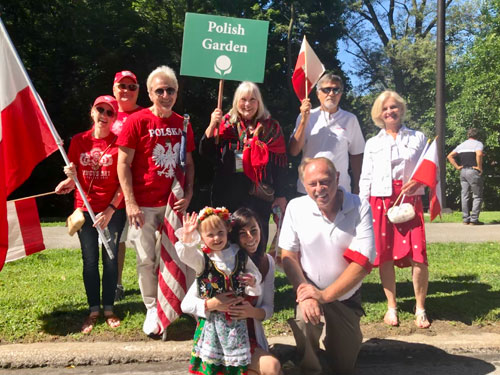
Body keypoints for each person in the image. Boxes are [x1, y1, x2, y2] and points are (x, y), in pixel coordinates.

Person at [116, 65, 195, 336]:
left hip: (173, 203)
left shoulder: (182, 123)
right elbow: (123, 163)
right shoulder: (136, 121)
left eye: (170, 90)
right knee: (147, 259)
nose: (165, 95)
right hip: (144, 204)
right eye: (159, 90)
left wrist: (190, 193)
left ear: (176, 92)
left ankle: (182, 303)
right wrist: (130, 202)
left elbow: (189, 162)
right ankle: (152, 307)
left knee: (180, 256)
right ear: (150, 93)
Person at [279, 157, 375, 375]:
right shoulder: (296, 207)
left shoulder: (359, 205)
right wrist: (305, 292)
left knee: (343, 366)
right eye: (312, 184)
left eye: (325, 182)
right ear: (304, 185)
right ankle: (309, 365)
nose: (319, 189)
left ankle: (335, 347)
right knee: (305, 322)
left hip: (345, 295)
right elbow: (288, 256)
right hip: (310, 286)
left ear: (337, 178)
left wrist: (325, 295)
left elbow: (363, 261)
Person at [359, 90, 430, 329]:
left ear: (401, 109)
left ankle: (420, 308)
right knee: (385, 254)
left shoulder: (418, 137)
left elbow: (429, 169)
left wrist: (419, 183)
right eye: (385, 108)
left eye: (394, 107)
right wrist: (363, 207)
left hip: (410, 199)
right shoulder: (373, 143)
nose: (390, 111)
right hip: (380, 200)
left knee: (418, 255)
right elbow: (365, 177)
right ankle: (392, 307)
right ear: (379, 113)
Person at [182, 207, 282, 375]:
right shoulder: (212, 263)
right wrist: (212, 304)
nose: (250, 238)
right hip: (215, 335)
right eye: (243, 233)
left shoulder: (260, 262)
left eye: (254, 230)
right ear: (234, 236)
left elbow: (268, 309)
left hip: (245, 336)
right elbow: (187, 303)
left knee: (272, 367)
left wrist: (251, 311)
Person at [55, 95, 126, 333]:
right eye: (100, 110)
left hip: (112, 211)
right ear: (92, 112)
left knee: (111, 258)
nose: (104, 116)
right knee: (89, 260)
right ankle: (93, 309)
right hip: (84, 209)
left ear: (115, 118)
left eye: (110, 113)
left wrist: (109, 210)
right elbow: (75, 178)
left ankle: (109, 309)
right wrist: (68, 179)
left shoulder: (119, 143)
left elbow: (124, 184)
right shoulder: (78, 141)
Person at [199, 81, 287, 246]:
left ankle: (256, 272)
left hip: (258, 195)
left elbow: (280, 165)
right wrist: (212, 124)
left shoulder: (271, 127)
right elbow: (206, 152)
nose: (247, 104)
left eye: (252, 99)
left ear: (259, 102)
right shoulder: (224, 123)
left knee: (257, 239)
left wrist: (281, 194)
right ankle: (232, 272)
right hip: (228, 192)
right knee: (229, 239)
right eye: (243, 99)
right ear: (236, 101)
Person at [289, 73, 365, 194]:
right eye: (326, 90)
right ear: (318, 94)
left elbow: (356, 155)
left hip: (340, 189)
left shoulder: (350, 119)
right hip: (309, 189)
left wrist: (358, 185)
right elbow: (294, 151)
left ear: (341, 94)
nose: (331, 94)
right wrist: (304, 120)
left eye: (336, 89)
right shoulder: (306, 115)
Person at [112, 70, 143, 302]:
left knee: (144, 241)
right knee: (117, 239)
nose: (126, 91)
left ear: (138, 91)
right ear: (114, 88)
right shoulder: (106, 113)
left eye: (131, 87)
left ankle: (150, 283)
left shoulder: (144, 114)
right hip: (110, 189)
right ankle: (117, 283)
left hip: (137, 188)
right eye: (122, 86)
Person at [447, 128, 484, 225]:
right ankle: (474, 219)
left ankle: (465, 219)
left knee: (465, 195)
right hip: (473, 171)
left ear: (468, 135)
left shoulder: (462, 145)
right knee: (477, 196)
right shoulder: (478, 144)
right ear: (477, 136)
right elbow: (479, 154)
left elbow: (449, 156)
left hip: (463, 171)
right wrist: (479, 167)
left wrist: (457, 167)